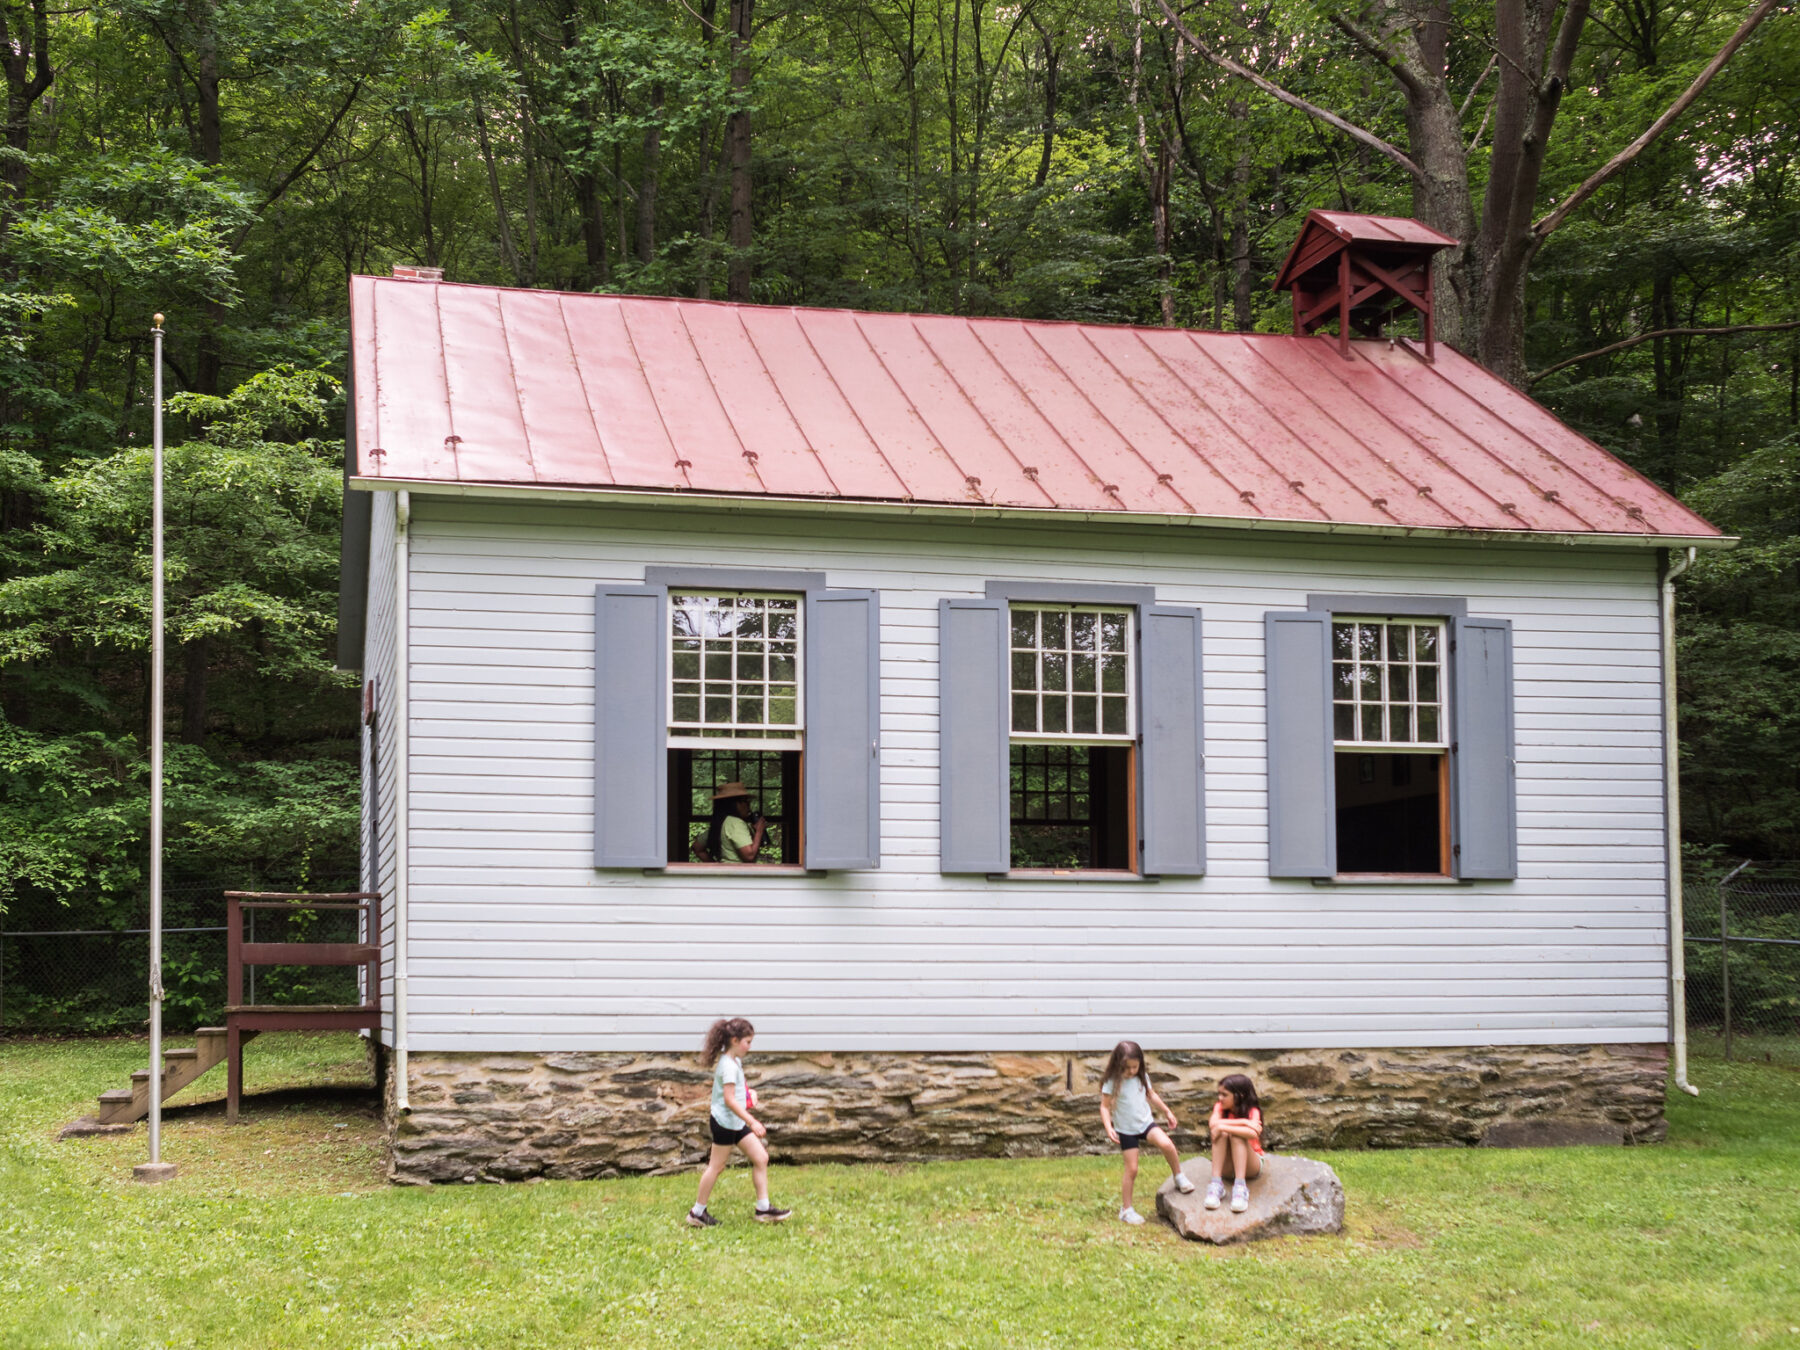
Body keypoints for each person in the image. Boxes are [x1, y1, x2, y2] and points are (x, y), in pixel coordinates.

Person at [687, 1016, 791, 1227]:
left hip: (735, 1121)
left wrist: (748, 1093)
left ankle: (763, 1209)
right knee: (716, 1167)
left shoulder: (736, 1062)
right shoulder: (727, 1066)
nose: (749, 1047)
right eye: (748, 1042)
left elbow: (736, 1092)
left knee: (761, 1158)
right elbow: (729, 1099)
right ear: (735, 1040)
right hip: (725, 1122)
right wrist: (752, 1122)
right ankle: (697, 1213)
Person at [1099, 1039, 1194, 1225]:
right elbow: (1104, 1106)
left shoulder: (1141, 1076)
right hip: (1126, 1131)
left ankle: (1179, 1176)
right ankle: (1126, 1210)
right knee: (1132, 1169)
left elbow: (1151, 1095)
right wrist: (1109, 1126)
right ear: (1117, 1065)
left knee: (1167, 1144)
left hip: (1146, 1124)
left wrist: (1167, 1111)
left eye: (1135, 1067)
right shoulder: (1112, 1081)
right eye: (1127, 1068)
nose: (1131, 1071)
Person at [1205, 1073, 1264, 1213]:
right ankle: (1216, 1185)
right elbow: (1213, 1124)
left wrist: (1222, 1127)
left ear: (1240, 1095)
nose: (1220, 1098)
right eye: (1219, 1094)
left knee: (1236, 1135)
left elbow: (1253, 1133)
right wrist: (1243, 1122)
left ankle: (1240, 1188)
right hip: (1227, 1166)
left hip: (1250, 1165)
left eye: (1225, 1095)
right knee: (1223, 1133)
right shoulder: (1219, 1107)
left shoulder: (1252, 1111)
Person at [692, 782, 768, 863]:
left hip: (725, 873)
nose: (748, 805)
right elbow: (749, 856)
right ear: (734, 804)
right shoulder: (735, 823)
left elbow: (697, 847)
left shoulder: (721, 822)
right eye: (745, 801)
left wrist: (717, 867)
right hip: (739, 874)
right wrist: (759, 832)